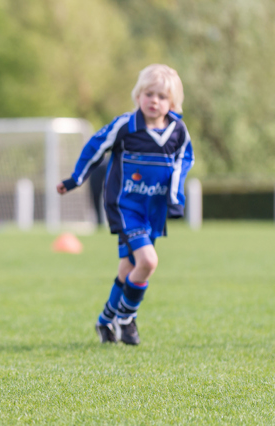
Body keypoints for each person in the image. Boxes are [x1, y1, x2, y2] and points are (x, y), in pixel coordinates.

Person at [57, 64, 194, 345]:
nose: (154, 101)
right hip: (125, 207)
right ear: (138, 95)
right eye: (148, 93)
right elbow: (96, 146)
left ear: (173, 102)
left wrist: (174, 198)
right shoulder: (126, 125)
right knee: (148, 261)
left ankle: (105, 321)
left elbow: (184, 162)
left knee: (128, 268)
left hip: (152, 211)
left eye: (161, 96)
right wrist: (75, 179)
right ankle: (126, 319)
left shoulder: (178, 131)